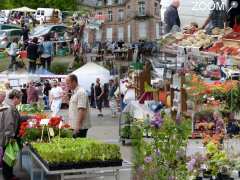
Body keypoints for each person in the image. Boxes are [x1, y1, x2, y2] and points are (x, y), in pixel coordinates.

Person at [0, 90, 23, 180]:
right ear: (15, 98)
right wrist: (11, 137)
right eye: (20, 98)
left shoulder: (10, 106)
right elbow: (9, 124)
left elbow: (17, 118)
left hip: (7, 136)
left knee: (8, 156)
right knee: (8, 157)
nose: (21, 100)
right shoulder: (9, 108)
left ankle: (8, 174)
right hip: (8, 137)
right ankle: (8, 176)